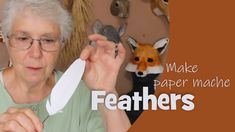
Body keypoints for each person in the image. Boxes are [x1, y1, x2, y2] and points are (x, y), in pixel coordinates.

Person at [0, 0, 131, 132]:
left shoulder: (82, 94)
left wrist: (106, 91)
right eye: (23, 38)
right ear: (5, 39)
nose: (35, 54)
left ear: (61, 44)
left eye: (48, 40)